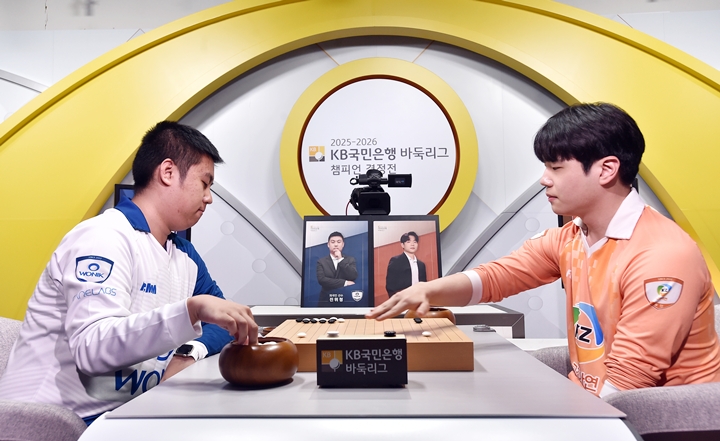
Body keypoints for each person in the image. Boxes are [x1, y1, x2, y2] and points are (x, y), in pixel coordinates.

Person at [368, 102, 720, 397]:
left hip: (660, 420)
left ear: (606, 170)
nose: (544, 179)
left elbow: (629, 381)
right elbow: (497, 278)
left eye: (556, 167)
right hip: (595, 401)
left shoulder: (662, 255)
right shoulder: (570, 236)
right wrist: (428, 290)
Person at [0, 121, 258, 424]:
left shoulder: (184, 255)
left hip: (123, 415)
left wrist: (188, 352)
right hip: (51, 423)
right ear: (168, 172)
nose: (209, 197)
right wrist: (190, 312)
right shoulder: (103, 237)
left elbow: (223, 319)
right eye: (204, 183)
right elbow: (92, 349)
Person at [316, 231, 358, 303]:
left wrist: (340, 259)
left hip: (345, 298)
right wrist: (345, 283)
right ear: (328, 244)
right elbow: (322, 280)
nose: (336, 244)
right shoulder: (321, 262)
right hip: (326, 299)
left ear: (343, 244)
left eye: (338, 242)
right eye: (333, 242)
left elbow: (353, 276)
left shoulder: (350, 260)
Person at [386, 231, 427, 297]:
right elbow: (390, 286)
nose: (412, 244)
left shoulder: (421, 265)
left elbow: (424, 285)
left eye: (415, 242)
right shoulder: (396, 261)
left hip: (418, 298)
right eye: (408, 242)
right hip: (403, 299)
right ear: (402, 245)